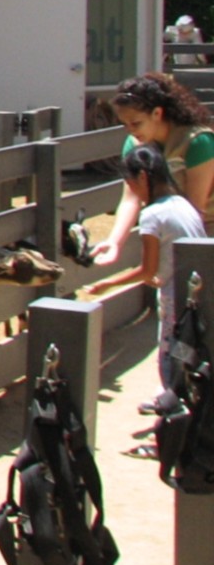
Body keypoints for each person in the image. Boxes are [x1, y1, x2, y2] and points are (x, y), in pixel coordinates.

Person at [86, 145, 206, 437]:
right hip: (198, 297)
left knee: (171, 363)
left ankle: (171, 432)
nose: (132, 192)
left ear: (142, 177)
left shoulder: (152, 215)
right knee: (190, 359)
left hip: (175, 305)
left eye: (129, 184)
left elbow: (147, 271)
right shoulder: (182, 204)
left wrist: (107, 284)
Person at [92, 72, 214, 266]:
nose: (130, 130)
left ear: (157, 113)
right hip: (172, 231)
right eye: (125, 124)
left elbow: (194, 210)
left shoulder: (198, 142)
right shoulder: (134, 144)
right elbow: (131, 198)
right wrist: (114, 242)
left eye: (136, 123)